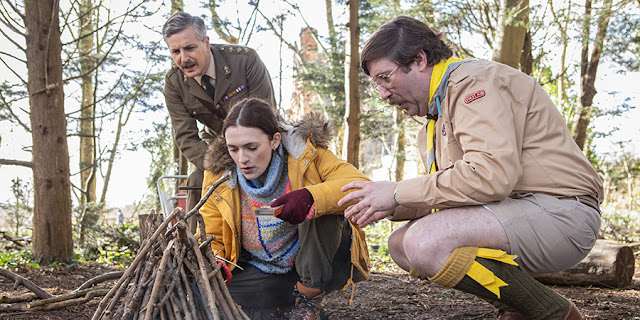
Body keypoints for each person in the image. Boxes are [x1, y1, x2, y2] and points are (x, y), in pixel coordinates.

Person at [338, 16, 603, 320]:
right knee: (399, 245)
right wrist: (386, 204)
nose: (383, 94)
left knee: (425, 242)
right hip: (517, 210)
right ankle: (518, 307)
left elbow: (490, 177)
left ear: (420, 60)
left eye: (385, 78)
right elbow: (453, 190)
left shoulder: (473, 84)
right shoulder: (436, 117)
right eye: (377, 85)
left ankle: (556, 313)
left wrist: (397, 193)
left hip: (563, 212)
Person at [200, 98, 370, 319]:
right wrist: (218, 260)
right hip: (262, 268)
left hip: (319, 261)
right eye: (234, 149)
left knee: (320, 207)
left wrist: (310, 197)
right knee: (217, 294)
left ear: (275, 140)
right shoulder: (219, 176)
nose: (242, 159)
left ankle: (308, 301)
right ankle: (285, 305)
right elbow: (212, 234)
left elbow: (361, 185)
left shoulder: (306, 155)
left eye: (252, 148)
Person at [162, 12, 275, 230]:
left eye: (189, 48)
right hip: (216, 145)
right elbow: (186, 136)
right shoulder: (174, 83)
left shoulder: (245, 60)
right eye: (175, 51)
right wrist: (220, 165)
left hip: (259, 140)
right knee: (197, 181)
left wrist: (246, 157)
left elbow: (266, 115)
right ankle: (201, 250)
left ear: (205, 43)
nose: (183, 58)